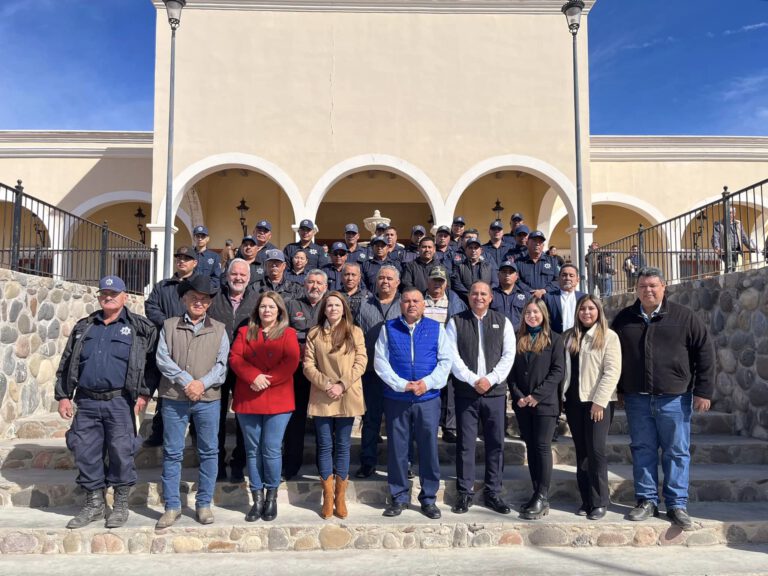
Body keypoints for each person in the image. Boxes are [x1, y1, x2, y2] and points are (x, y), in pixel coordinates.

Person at [612, 267, 715, 530]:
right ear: (636, 289)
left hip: (675, 399)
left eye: (653, 285)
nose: (648, 290)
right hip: (637, 398)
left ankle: (676, 504)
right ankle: (646, 500)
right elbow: (613, 357)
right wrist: (620, 389)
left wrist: (703, 391)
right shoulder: (624, 319)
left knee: (677, 452)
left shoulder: (684, 317)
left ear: (664, 287)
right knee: (642, 449)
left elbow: (705, 353)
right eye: (643, 286)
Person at [54, 275, 158, 529]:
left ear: (125, 297)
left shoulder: (141, 328)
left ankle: (120, 505)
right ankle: (94, 504)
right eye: (104, 294)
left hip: (121, 401)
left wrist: (144, 394)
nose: (108, 297)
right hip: (87, 401)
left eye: (113, 293)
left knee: (122, 452)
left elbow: (153, 365)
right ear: (99, 297)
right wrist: (63, 395)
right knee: (85, 451)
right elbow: (68, 361)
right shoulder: (84, 326)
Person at [155, 275, 230, 529]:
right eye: (194, 298)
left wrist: (201, 384)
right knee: (172, 452)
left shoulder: (219, 329)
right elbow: (163, 359)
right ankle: (172, 506)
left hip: (207, 399)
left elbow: (222, 365)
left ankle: (204, 503)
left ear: (209, 303)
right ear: (185, 299)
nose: (199, 302)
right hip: (175, 398)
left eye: (204, 299)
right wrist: (188, 381)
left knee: (209, 452)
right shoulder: (169, 325)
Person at [374, 287, 453, 519]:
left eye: (416, 301)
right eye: (407, 301)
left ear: (423, 304)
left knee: (428, 448)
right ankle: (398, 497)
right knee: (397, 449)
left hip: (427, 399)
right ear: (400, 304)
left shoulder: (436, 329)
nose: (411, 305)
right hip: (397, 399)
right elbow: (381, 362)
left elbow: (445, 361)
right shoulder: (388, 329)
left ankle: (428, 499)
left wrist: (426, 384)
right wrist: (402, 385)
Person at [229, 291, 300, 522]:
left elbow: (290, 361)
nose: (266, 310)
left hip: (278, 399)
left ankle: (271, 497)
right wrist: (253, 377)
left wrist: (266, 379)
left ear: (279, 310)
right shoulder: (244, 331)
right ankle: (256, 498)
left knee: (270, 449)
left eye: (271, 307)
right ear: (257, 310)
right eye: (263, 307)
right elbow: (235, 358)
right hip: (249, 398)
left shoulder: (288, 333)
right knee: (252, 450)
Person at [446, 281, 516, 515]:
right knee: (465, 445)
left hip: (494, 393)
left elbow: (509, 355)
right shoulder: (456, 322)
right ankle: (465, 493)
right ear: (469, 297)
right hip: (467, 393)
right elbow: (452, 355)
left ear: (490, 297)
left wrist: (491, 379)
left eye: (483, 293)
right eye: (474, 293)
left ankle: (493, 492)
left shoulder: (502, 321)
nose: (478, 297)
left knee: (495, 444)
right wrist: (473, 379)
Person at [304, 292, 367, 519]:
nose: (332, 308)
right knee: (324, 445)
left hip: (347, 394)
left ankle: (339, 497)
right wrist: (326, 383)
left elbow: (361, 362)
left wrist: (341, 385)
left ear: (344, 308)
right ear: (324, 309)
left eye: (337, 305)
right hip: (323, 395)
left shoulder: (354, 332)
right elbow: (308, 365)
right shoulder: (315, 334)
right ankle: (327, 496)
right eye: (329, 305)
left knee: (342, 445)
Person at [562, 295, 621, 520]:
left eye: (591, 309)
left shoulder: (608, 337)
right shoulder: (570, 336)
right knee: (582, 452)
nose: (586, 312)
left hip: (598, 403)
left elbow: (612, 371)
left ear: (598, 311)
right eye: (582, 309)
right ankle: (586, 499)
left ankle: (600, 501)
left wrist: (599, 401)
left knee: (596, 451)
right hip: (574, 402)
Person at [507, 297, 565, 520]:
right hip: (523, 405)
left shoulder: (554, 340)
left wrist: (536, 396)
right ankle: (535, 493)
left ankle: (543, 496)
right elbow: (511, 373)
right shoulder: (517, 338)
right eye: (528, 312)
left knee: (541, 447)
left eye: (536, 312)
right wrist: (520, 397)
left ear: (543, 315)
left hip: (545, 404)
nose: (532, 316)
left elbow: (558, 372)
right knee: (531, 447)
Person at [143, 244, 199, 448]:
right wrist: (169, 324)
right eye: (179, 257)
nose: (181, 260)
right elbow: (151, 306)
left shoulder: (199, 286)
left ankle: (195, 434)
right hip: (166, 344)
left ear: (195, 262)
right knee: (165, 390)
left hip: (194, 343)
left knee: (194, 388)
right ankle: (158, 432)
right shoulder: (163, 286)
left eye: (186, 258)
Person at [209, 258, 259, 482]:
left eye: (243, 275)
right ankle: (217, 464)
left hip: (244, 368)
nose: (238, 278)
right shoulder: (213, 298)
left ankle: (239, 462)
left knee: (243, 418)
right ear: (227, 275)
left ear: (249, 278)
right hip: (216, 367)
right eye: (234, 274)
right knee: (215, 418)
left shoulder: (256, 301)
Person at [354, 265, 402, 478]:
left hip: (398, 374)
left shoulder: (405, 304)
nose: (385, 282)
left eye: (390, 278)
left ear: (397, 282)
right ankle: (368, 462)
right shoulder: (365, 306)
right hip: (372, 373)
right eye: (381, 278)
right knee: (371, 420)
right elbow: (357, 337)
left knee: (398, 421)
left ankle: (402, 463)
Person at [282, 269, 329, 479]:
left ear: (325, 287)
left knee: (324, 421)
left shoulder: (331, 306)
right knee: (295, 421)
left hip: (324, 372)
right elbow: (284, 333)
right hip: (297, 373)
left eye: (319, 283)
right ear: (304, 284)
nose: (315, 287)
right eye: (311, 282)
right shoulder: (292, 305)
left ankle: (325, 468)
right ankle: (291, 466)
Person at [423, 265, 467, 443]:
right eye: (434, 280)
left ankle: (449, 427)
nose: (437, 284)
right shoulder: (420, 300)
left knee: (449, 392)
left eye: (440, 281)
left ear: (446, 284)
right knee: (429, 391)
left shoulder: (454, 302)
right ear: (428, 281)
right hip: (425, 353)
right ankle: (429, 426)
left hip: (447, 352)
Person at [451, 236, 497, 303]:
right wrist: (470, 295)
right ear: (466, 250)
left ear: (481, 250)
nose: (473, 250)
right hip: (465, 302)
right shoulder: (459, 267)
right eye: (470, 248)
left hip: (485, 302)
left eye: (476, 248)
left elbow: (495, 283)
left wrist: (485, 294)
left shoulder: (489, 266)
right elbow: (456, 284)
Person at [544, 264, 586, 335]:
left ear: (577, 280)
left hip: (579, 337)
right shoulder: (548, 297)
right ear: (558, 279)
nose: (567, 278)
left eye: (571, 275)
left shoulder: (584, 298)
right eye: (564, 275)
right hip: (555, 339)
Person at [516, 230, 558, 298]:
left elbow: (557, 280)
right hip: (527, 299)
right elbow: (516, 280)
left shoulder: (552, 261)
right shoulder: (519, 262)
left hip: (547, 299)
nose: (537, 244)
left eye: (540, 242)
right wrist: (530, 291)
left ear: (543, 245)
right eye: (534, 241)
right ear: (527, 243)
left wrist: (544, 291)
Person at [712, 206, 753, 272]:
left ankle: (728, 279)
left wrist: (751, 248)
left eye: (731, 213)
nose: (729, 214)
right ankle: (728, 279)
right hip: (724, 250)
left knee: (733, 267)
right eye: (727, 212)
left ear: (734, 214)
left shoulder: (738, 224)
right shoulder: (719, 224)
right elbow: (715, 237)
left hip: (736, 250)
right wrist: (717, 247)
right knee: (730, 265)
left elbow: (744, 237)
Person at [490, 260, 527, 330]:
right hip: (497, 335)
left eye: (511, 272)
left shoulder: (525, 296)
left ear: (517, 276)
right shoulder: (491, 294)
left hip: (519, 336)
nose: (507, 275)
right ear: (498, 275)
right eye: (504, 272)